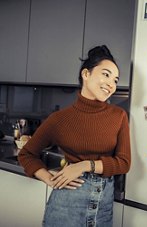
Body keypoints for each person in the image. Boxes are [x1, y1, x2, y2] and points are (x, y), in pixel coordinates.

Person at [18, 45, 131, 227]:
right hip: (65, 207)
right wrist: (48, 178)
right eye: (106, 74)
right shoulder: (59, 119)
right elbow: (26, 155)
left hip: (103, 208)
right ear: (86, 74)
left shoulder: (119, 116)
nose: (111, 84)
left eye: (116, 80)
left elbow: (124, 163)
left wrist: (84, 166)